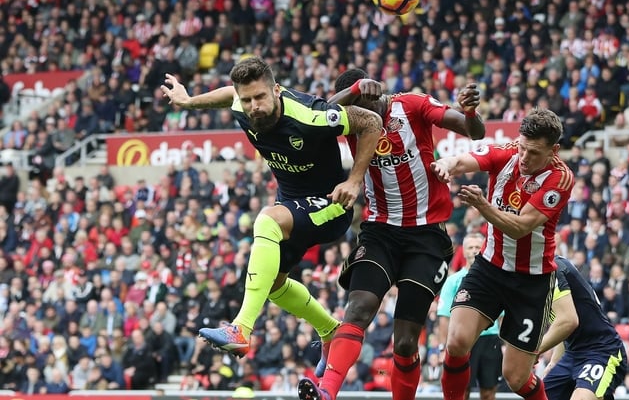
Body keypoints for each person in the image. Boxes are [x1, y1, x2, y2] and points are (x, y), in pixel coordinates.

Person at [160, 57, 384, 357]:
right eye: (247, 99)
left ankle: (241, 328)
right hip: (293, 206)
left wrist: (355, 181)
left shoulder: (310, 116)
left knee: (266, 220)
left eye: (260, 97)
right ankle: (330, 330)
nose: (253, 106)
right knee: (274, 283)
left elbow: (371, 123)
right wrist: (188, 102)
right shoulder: (241, 104)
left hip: (331, 205)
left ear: (276, 90)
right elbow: (228, 94)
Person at [297, 68, 485, 400]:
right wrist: (353, 91)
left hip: (425, 235)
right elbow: (317, 115)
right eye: (351, 110)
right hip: (379, 231)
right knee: (358, 307)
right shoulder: (350, 120)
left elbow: (474, 131)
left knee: (406, 341)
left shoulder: (412, 105)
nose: (357, 117)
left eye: (361, 105)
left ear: (374, 93)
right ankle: (326, 393)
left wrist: (470, 112)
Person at [429, 108, 575, 400]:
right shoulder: (506, 152)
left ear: (553, 150)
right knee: (456, 342)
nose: (524, 157)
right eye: (521, 147)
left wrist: (483, 206)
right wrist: (446, 164)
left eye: (533, 152)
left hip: (531, 281)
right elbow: (461, 160)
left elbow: (520, 227)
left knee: (516, 378)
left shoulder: (560, 179)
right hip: (490, 268)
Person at [537, 255, 628, 400]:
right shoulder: (537, 275)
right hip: (572, 354)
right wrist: (554, 362)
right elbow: (562, 326)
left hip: (602, 351)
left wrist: (533, 351)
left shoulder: (552, 269)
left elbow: (567, 322)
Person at [438, 233, 503, 400]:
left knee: (489, 392)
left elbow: (502, 317)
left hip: (491, 340)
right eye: (470, 247)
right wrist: (443, 347)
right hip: (464, 341)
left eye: (477, 247)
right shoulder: (453, 281)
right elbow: (444, 317)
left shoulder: (495, 280)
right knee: (463, 390)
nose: (474, 251)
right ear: (464, 251)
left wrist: (504, 344)